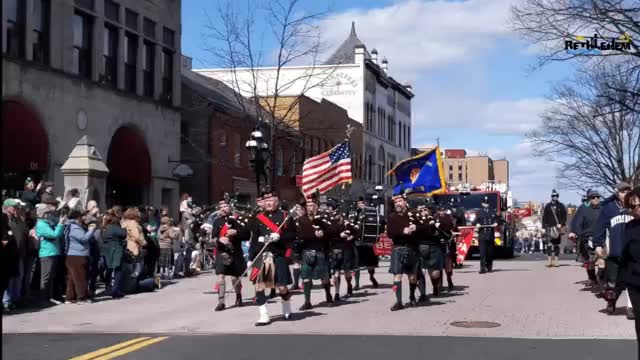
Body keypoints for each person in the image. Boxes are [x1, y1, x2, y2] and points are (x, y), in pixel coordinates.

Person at [248, 187, 296, 326]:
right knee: (260, 286)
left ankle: (286, 305)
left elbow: (293, 235)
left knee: (282, 287)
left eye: (271, 199)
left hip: (278, 255)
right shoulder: (258, 218)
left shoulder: (285, 216)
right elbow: (254, 239)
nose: (268, 202)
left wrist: (279, 236)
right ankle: (264, 315)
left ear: (277, 201)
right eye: (266, 200)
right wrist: (250, 258)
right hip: (264, 256)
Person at [594, 182, 634, 317]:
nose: (625, 194)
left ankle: (631, 308)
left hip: (632, 250)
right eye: (622, 192)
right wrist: (598, 244)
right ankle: (611, 302)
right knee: (613, 281)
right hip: (615, 250)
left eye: (628, 191)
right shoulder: (608, 208)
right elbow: (599, 227)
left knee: (632, 281)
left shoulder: (635, 206)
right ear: (617, 193)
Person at [208, 197, 249, 311]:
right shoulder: (217, 221)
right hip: (222, 251)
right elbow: (213, 238)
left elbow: (247, 235)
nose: (223, 209)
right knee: (220, 276)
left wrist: (236, 232)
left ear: (230, 207)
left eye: (225, 206)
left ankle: (238, 296)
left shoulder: (238, 219)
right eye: (220, 207)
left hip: (235, 251)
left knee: (235, 277)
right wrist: (219, 240)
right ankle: (221, 302)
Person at [297, 195, 334, 310]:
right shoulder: (301, 220)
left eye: (312, 205)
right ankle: (307, 301)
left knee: (324, 277)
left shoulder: (322, 219)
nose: (309, 208)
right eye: (308, 206)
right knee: (306, 277)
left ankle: (328, 296)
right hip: (307, 251)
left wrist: (323, 233)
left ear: (316, 207)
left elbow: (333, 230)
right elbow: (298, 234)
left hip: (320, 251)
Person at [386, 192, 422, 311]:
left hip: (412, 248)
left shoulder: (413, 215)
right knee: (397, 276)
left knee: (412, 277)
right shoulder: (392, 217)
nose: (398, 204)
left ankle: (412, 296)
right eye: (396, 202)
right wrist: (402, 231)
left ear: (405, 202)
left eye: (400, 201)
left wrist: (416, 228)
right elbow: (390, 233)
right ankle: (399, 301)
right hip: (398, 248)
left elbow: (426, 228)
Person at [617, 187, 640, 358]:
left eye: (635, 207)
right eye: (629, 208)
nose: (632, 212)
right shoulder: (629, 227)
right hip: (636, 283)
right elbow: (624, 259)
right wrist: (616, 291)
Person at [569, 189, 602, 290]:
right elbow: (577, 222)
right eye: (593, 197)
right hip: (587, 237)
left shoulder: (603, 207)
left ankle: (600, 278)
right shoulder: (583, 208)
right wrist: (574, 232)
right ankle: (593, 279)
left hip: (601, 237)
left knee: (603, 261)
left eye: (598, 197)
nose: (596, 199)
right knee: (590, 262)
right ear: (589, 199)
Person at [63, 207, 96, 304]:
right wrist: (92, 230)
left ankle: (70, 297)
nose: (84, 218)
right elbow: (83, 238)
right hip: (77, 255)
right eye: (82, 216)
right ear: (78, 217)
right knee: (80, 277)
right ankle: (82, 298)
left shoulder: (72, 226)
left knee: (72, 278)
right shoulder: (74, 227)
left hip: (73, 255)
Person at [35, 202, 66, 305]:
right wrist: (61, 224)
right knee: (46, 277)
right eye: (47, 212)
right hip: (46, 253)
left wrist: (60, 222)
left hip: (53, 252)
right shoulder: (41, 224)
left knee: (51, 277)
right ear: (42, 214)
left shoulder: (48, 222)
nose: (49, 214)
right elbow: (54, 234)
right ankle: (43, 299)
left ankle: (49, 297)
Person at [2, 199, 27, 310]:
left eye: (17, 207)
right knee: (9, 279)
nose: (17, 209)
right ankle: (6, 302)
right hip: (8, 254)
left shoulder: (18, 220)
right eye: (14, 207)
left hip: (18, 253)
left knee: (18, 277)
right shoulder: (5, 219)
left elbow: (23, 232)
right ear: (7, 207)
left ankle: (15, 299)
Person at [353, 197, 379, 290]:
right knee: (357, 264)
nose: (360, 204)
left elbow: (380, 224)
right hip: (358, 241)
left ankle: (372, 277)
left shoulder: (372, 213)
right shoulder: (354, 214)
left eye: (362, 203)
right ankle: (357, 283)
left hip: (369, 241)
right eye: (359, 203)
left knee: (370, 263)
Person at [101, 209, 127, 298]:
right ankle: (116, 290)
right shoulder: (114, 227)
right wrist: (123, 225)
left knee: (108, 269)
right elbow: (124, 234)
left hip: (106, 249)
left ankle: (108, 288)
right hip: (115, 249)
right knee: (118, 269)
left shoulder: (104, 227)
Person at [473, 196, 499, 274]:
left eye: (487, 203)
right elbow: (473, 222)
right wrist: (476, 224)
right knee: (482, 253)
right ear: (482, 204)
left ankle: (489, 267)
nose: (486, 204)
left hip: (490, 234)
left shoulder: (493, 212)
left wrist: (496, 223)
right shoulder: (479, 212)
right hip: (482, 235)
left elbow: (499, 220)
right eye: (484, 203)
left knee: (490, 253)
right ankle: (482, 268)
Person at [542, 190, 567, 267]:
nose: (555, 197)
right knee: (549, 244)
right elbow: (544, 217)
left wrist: (561, 224)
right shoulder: (547, 206)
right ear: (551, 197)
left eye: (556, 196)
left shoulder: (561, 206)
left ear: (558, 196)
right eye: (553, 196)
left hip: (558, 227)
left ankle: (556, 260)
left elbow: (564, 217)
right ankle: (549, 260)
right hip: (549, 227)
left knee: (556, 244)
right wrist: (543, 227)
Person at [121, 207, 147, 280]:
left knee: (128, 265)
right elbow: (137, 236)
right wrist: (144, 243)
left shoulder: (123, 223)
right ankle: (133, 282)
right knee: (137, 265)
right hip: (133, 246)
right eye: (137, 212)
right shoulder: (133, 223)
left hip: (126, 246)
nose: (139, 214)